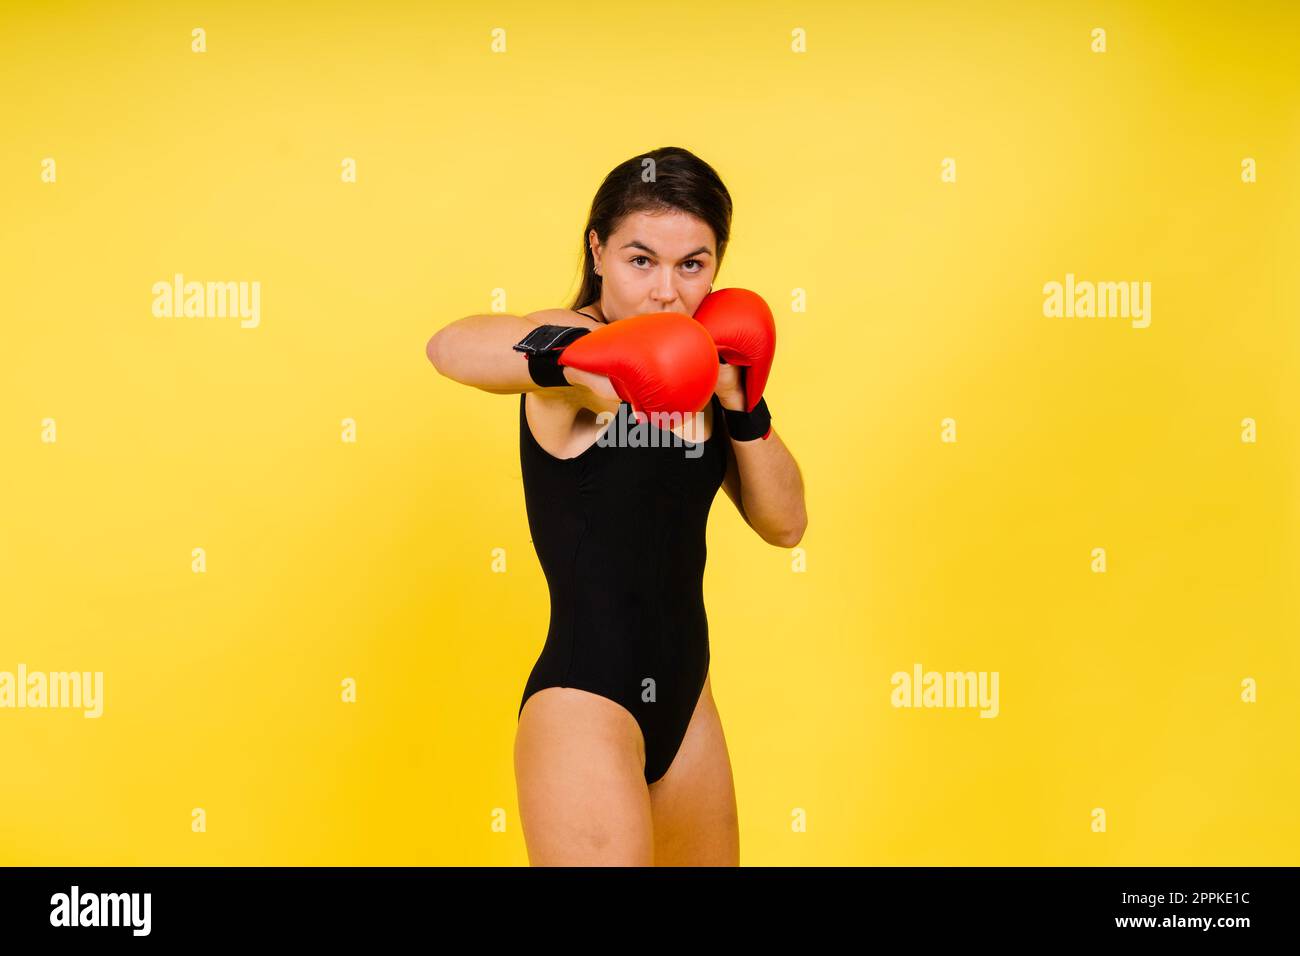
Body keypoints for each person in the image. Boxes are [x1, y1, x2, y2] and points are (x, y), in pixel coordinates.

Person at [426, 146, 807, 865]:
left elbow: (786, 525)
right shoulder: (576, 349)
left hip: (689, 707)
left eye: (692, 265)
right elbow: (449, 347)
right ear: (597, 250)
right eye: (641, 260)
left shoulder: (707, 365)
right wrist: (585, 358)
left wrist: (743, 402)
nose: (666, 291)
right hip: (586, 707)